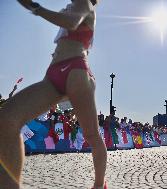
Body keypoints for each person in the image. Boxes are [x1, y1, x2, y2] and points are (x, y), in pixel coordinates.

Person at [0, 1, 107, 189]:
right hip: (53, 75)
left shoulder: (84, 3)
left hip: (76, 71)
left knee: (91, 134)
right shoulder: (73, 5)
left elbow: (71, 23)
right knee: (8, 117)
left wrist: (37, 8)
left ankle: (99, 185)